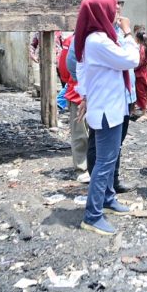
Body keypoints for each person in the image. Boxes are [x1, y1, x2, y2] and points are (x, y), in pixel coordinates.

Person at [74, 0, 140, 235]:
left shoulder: (99, 37)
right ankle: (92, 215)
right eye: (114, 8)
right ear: (103, 12)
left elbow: (83, 70)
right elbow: (131, 59)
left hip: (110, 106)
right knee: (104, 162)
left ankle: (108, 199)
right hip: (107, 110)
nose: (118, 13)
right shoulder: (99, 41)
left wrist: (86, 96)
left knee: (109, 159)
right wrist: (128, 32)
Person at [85, 0, 136, 193]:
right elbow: (76, 63)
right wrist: (86, 93)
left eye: (119, 7)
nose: (118, 12)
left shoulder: (115, 33)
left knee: (116, 145)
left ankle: (111, 184)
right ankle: (98, 187)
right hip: (105, 100)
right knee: (99, 148)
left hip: (124, 96)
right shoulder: (98, 36)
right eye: (114, 8)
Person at [60, 33, 90, 183]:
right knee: (82, 133)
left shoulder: (73, 39)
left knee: (81, 133)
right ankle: (83, 168)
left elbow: (63, 70)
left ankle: (84, 167)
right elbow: (66, 68)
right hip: (81, 93)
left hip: (81, 92)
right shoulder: (74, 40)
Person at [133, 25, 147, 116]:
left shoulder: (141, 48)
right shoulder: (145, 46)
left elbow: (139, 62)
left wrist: (133, 68)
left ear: (138, 38)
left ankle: (144, 113)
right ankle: (134, 110)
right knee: (141, 91)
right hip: (143, 72)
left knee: (141, 92)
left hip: (139, 73)